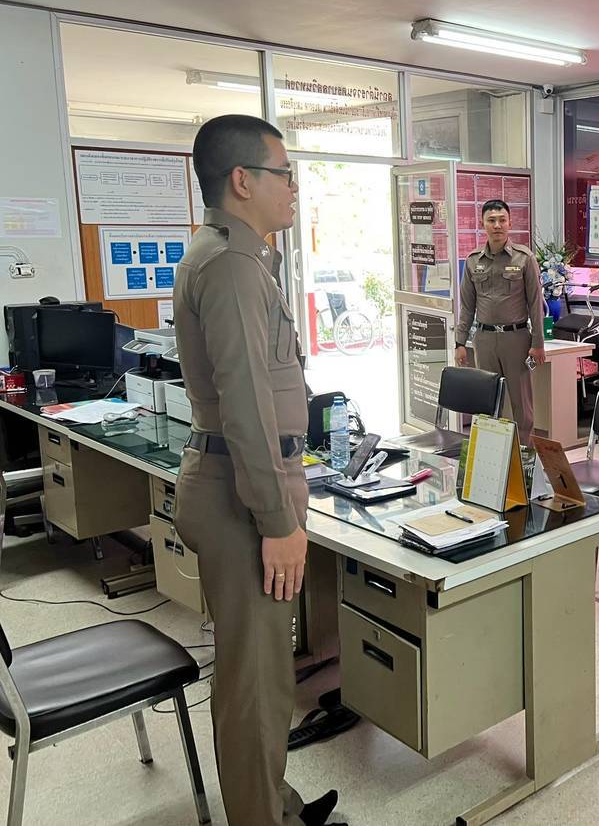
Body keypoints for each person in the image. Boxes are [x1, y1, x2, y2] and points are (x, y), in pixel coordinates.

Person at [173, 114, 344, 826]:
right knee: (254, 682)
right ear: (243, 180)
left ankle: (275, 805)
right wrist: (277, 522)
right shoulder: (231, 266)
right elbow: (245, 403)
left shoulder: (232, 257)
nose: (294, 188)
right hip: (245, 499)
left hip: (239, 483)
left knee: (267, 673)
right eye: (285, 174)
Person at [454, 199, 545, 444]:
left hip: (516, 338)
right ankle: (490, 452)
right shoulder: (473, 260)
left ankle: (523, 453)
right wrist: (459, 342)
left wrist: (538, 343)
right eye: (491, 220)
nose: (497, 225)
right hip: (484, 339)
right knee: (487, 400)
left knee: (520, 402)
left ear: (510, 223)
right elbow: (467, 306)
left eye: (502, 220)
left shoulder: (524, 258)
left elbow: (536, 304)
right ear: (482, 224)